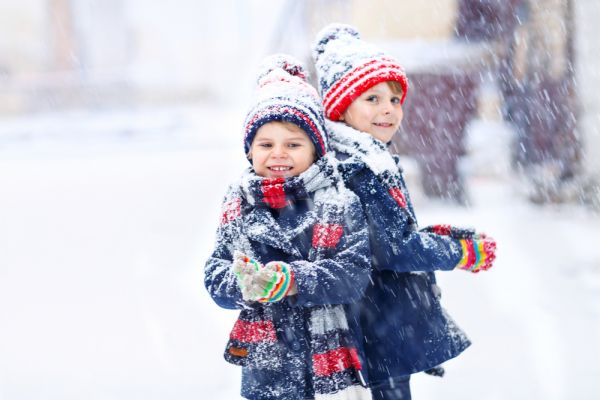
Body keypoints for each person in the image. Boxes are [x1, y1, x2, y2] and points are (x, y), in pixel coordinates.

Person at [311, 24, 497, 400]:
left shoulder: (369, 157)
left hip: (378, 315)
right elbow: (393, 248)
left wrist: (438, 235)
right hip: (375, 317)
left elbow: (391, 230)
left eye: (395, 100)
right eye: (373, 99)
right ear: (341, 106)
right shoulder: (358, 168)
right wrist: (460, 253)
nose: (388, 110)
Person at [204, 54, 376, 400]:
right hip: (269, 370)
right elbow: (215, 270)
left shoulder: (340, 203)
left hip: (329, 366)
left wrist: (293, 280)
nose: (278, 154)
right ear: (249, 151)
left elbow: (354, 274)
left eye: (293, 144)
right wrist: (243, 282)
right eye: (266, 145)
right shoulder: (239, 206)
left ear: (315, 151)